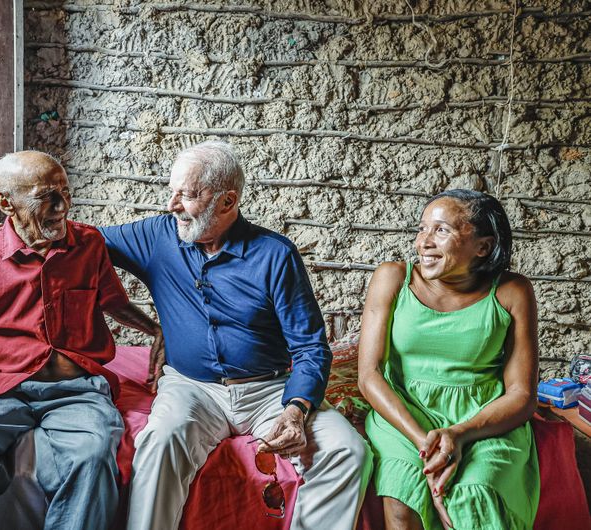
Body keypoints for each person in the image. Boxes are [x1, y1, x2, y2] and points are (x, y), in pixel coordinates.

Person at [98, 140, 372, 530]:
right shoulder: (158, 236)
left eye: (188, 195)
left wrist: (295, 411)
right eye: (172, 192)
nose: (173, 205)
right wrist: (14, 227)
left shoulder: (276, 255)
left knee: (348, 452)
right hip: (192, 387)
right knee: (160, 443)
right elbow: (82, 238)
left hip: (269, 391)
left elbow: (311, 347)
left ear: (228, 202)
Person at [0, 151, 163, 530]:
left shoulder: (89, 244)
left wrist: (156, 330)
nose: (62, 206)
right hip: (3, 388)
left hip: (76, 389)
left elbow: (115, 303)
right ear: (6, 202)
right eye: (47, 196)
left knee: (93, 458)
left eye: (66, 193)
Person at [358, 189, 540, 530]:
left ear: (482, 247)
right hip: (405, 413)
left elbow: (521, 393)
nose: (424, 242)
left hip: (480, 415)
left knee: (477, 493)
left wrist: (459, 434)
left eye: (442, 230)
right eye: (422, 229)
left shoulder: (511, 291)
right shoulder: (392, 278)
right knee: (402, 494)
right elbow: (369, 376)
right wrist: (427, 446)